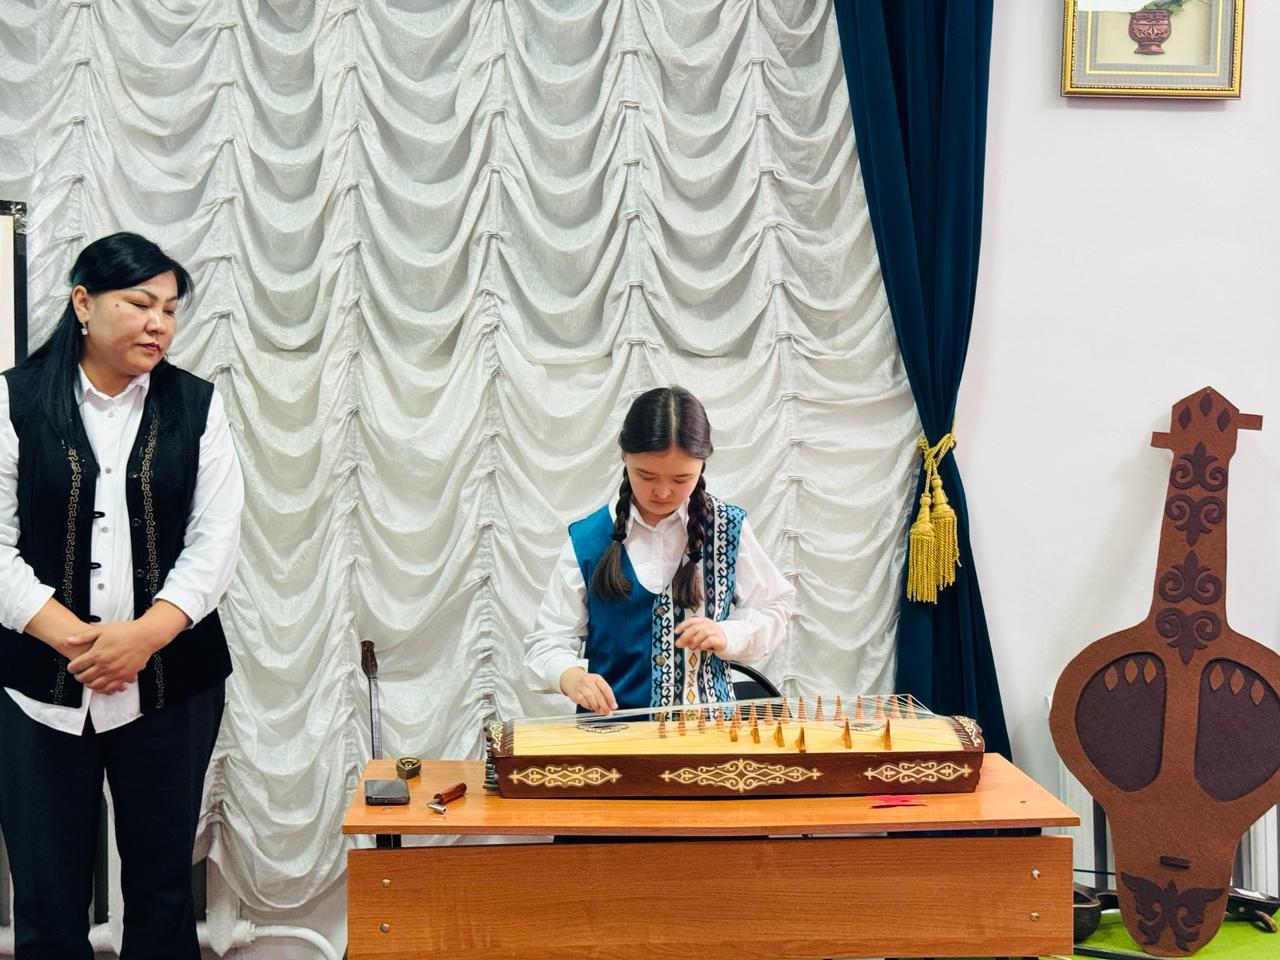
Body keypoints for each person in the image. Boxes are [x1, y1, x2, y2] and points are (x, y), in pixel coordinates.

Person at [0, 232, 244, 959]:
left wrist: (142, 638)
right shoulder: (14, 401)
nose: (158, 324)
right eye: (140, 303)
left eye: (169, 309)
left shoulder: (198, 406)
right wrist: (77, 641)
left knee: (165, 890)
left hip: (172, 683)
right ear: (83, 302)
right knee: (46, 897)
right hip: (37, 688)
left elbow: (215, 541)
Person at [524, 386, 793, 715]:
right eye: (646, 475)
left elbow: (773, 607)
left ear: (702, 466)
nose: (663, 492)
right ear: (624, 456)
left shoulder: (727, 528)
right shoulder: (589, 540)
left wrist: (727, 633)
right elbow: (547, 641)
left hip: (708, 734)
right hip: (612, 735)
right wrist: (570, 676)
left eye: (681, 479)